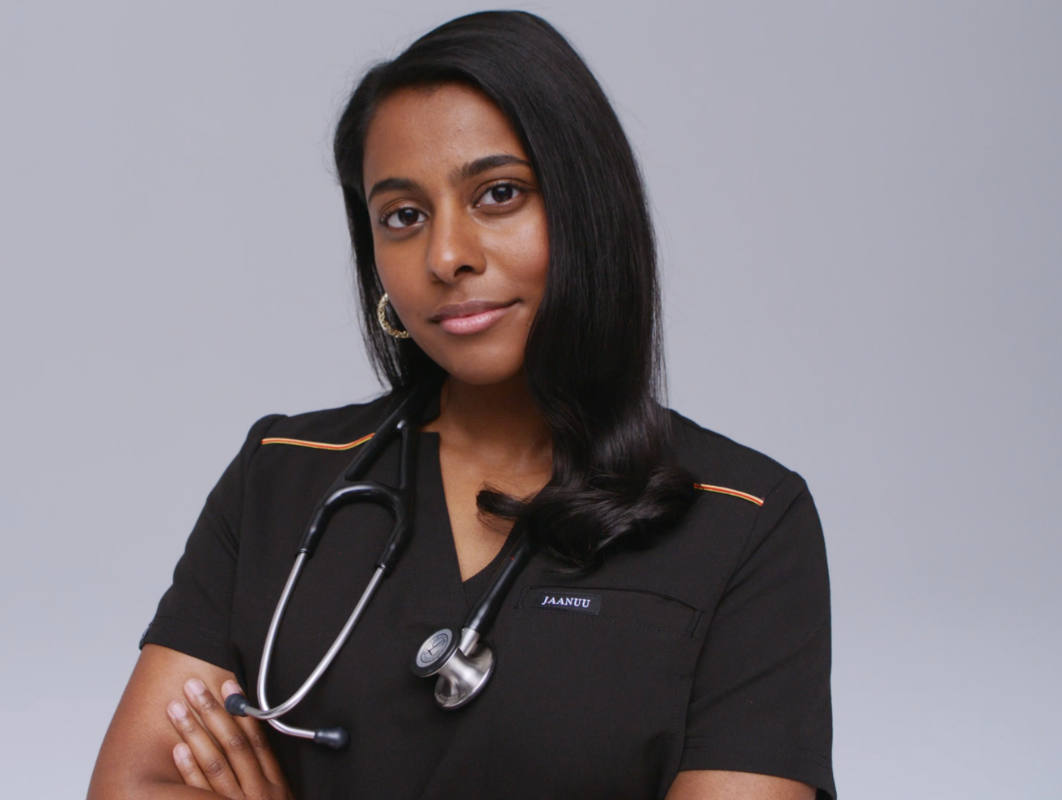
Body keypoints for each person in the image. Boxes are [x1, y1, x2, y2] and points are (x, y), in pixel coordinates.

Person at [88, 10, 835, 799]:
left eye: (499, 194)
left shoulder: (745, 521)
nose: (446, 256)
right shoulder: (281, 479)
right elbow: (138, 785)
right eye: (403, 216)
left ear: (589, 211)